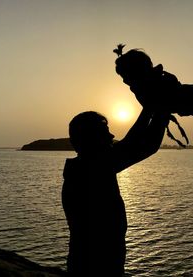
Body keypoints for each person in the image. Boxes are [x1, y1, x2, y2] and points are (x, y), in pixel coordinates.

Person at [62, 108, 170, 276]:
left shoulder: (82, 168)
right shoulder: (93, 169)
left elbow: (134, 145)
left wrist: (152, 110)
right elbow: (140, 144)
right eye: (105, 133)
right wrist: (156, 110)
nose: (112, 136)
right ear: (91, 139)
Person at [114, 44, 193, 118]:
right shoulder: (144, 84)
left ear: (139, 72)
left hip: (187, 97)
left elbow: (153, 105)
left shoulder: (148, 84)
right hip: (187, 95)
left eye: (126, 76)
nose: (124, 81)